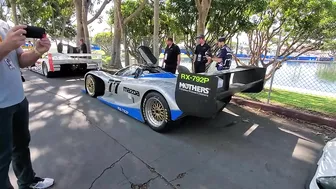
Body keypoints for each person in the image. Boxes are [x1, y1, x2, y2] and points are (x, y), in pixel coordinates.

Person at [0, 20, 54, 189]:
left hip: (18, 98)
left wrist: (38, 50)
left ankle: (27, 182)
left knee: (21, 146)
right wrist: (6, 46)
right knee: (2, 158)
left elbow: (20, 60)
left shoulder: (3, 25)